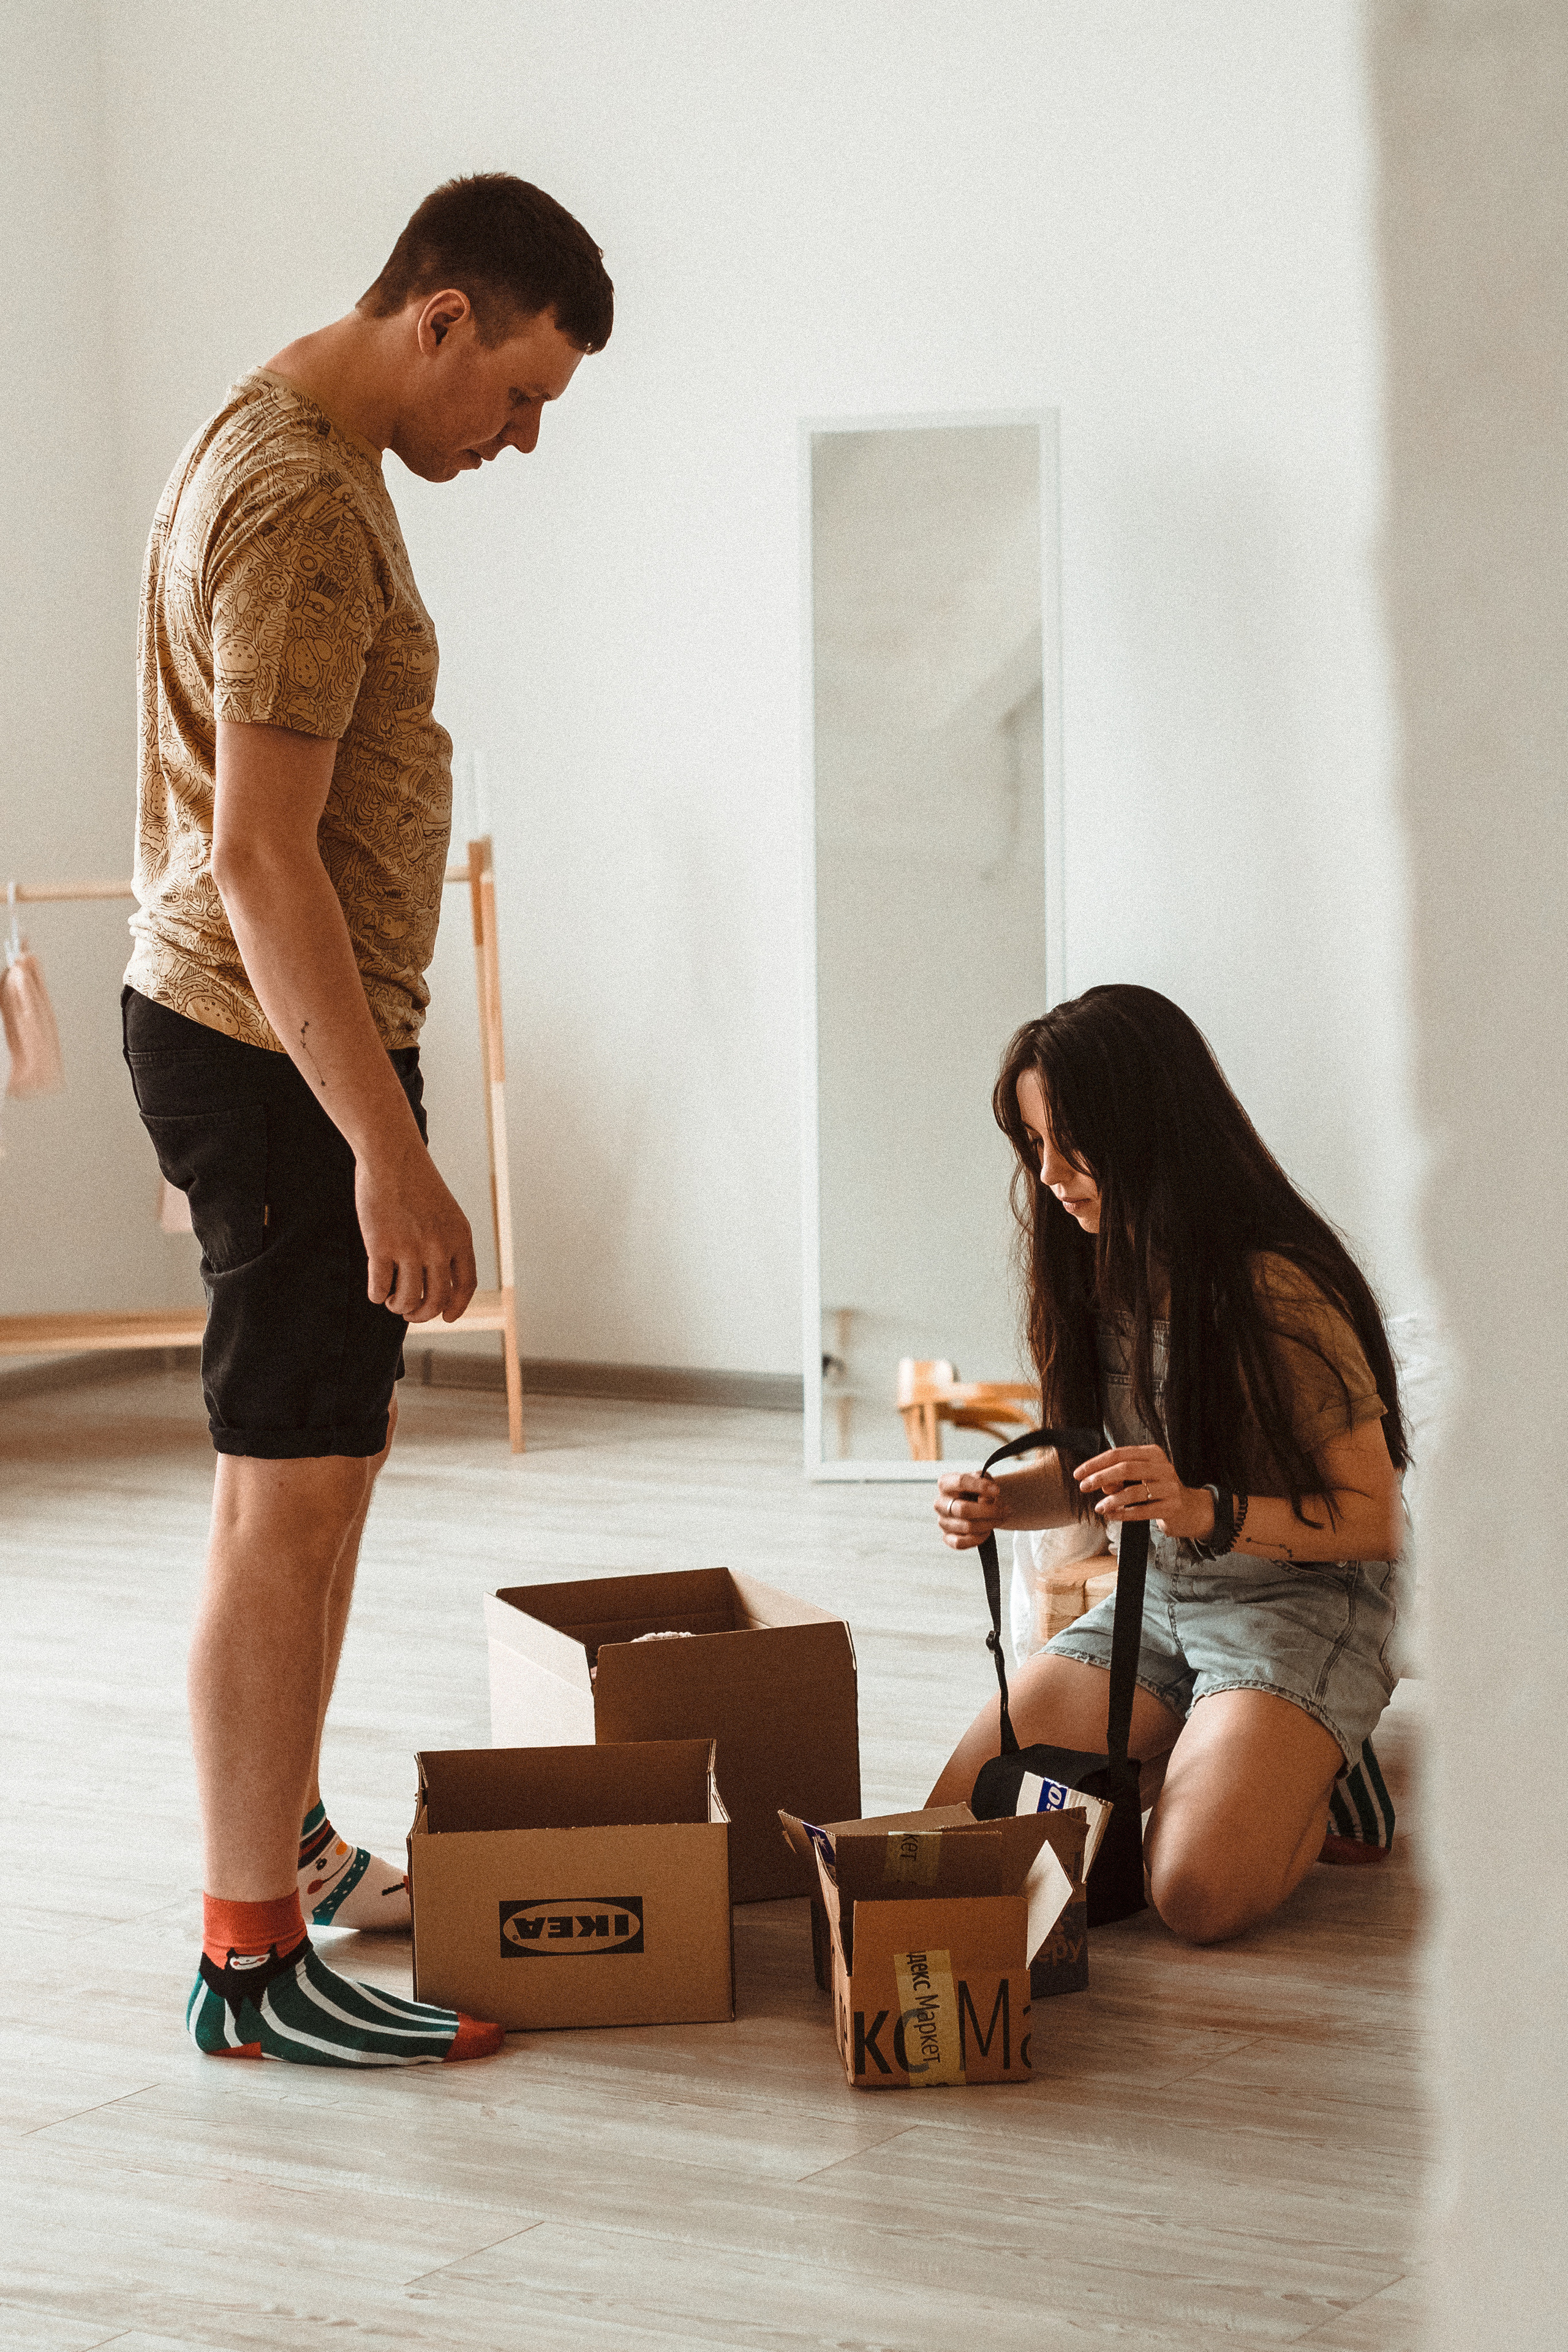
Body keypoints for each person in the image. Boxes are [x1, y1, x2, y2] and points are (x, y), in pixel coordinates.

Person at [121, 173, 613, 2064]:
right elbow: (259, 857)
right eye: (520, 393)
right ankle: (250, 1963)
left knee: (321, 1469)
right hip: (271, 1051)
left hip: (271, 1040)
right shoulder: (309, 507)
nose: (523, 438)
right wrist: (388, 1153)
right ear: (442, 320)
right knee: (286, 1495)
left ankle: (296, 1851)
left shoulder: (272, 435)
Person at [928, 984, 1407, 1945]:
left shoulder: (1277, 1288)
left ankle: (1324, 1772)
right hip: (1161, 1597)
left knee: (1192, 1896)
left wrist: (1206, 1511)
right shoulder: (1092, 1264)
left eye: (1074, 1142)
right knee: (964, 1825)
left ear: (1153, 1130)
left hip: (1298, 1604)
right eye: (1034, 1145)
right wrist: (996, 1502)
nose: (1054, 1175)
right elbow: (1102, 1475)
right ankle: (1226, 1755)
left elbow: (1375, 1517)